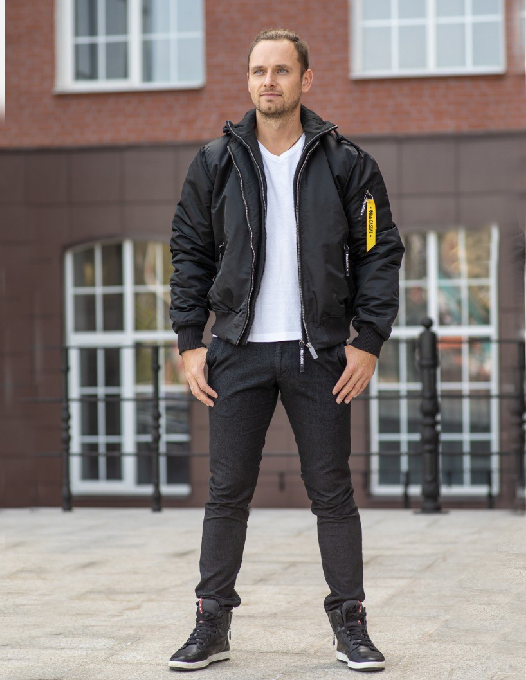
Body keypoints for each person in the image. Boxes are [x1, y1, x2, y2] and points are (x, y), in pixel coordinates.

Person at [168, 28, 405, 672]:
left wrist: (368, 341)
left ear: (306, 79)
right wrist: (190, 341)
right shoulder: (215, 161)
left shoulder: (348, 165)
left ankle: (350, 624)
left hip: (319, 354)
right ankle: (210, 625)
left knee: (332, 491)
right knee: (226, 493)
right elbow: (189, 252)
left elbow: (378, 253)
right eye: (257, 71)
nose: (267, 81)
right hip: (236, 351)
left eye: (280, 70)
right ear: (248, 81)